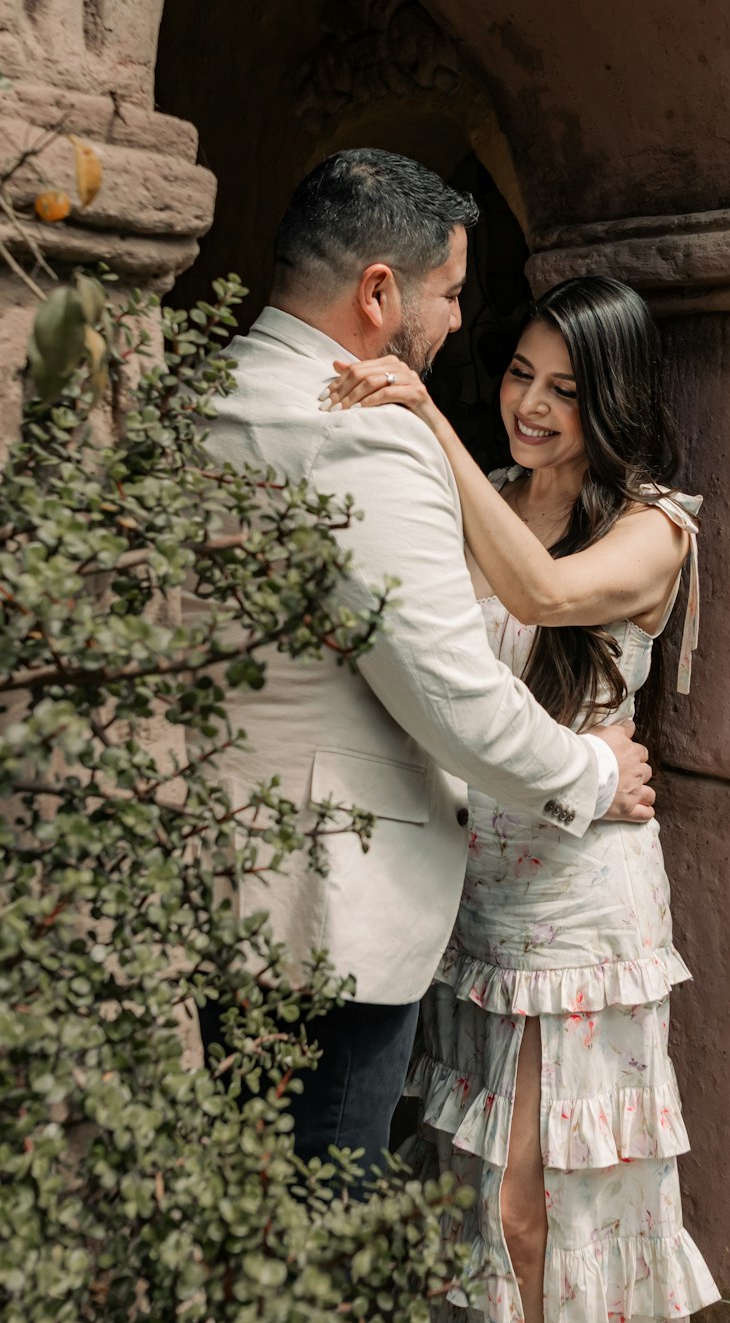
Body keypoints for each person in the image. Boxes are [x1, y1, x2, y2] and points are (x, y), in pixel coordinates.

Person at [191, 151, 658, 1181]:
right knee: (322, 1216)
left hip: (217, 880)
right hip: (335, 911)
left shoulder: (207, 392)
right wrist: (592, 773)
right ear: (377, 293)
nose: (454, 324)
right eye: (448, 295)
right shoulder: (363, 433)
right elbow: (447, 688)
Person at [319, 275, 721, 1320]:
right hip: (470, 890)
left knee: (527, 1206)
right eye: (517, 375)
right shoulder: (486, 489)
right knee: (464, 1194)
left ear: (615, 400)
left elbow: (541, 594)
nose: (531, 406)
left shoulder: (657, 526)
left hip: (582, 914)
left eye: (566, 390)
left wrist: (425, 419)